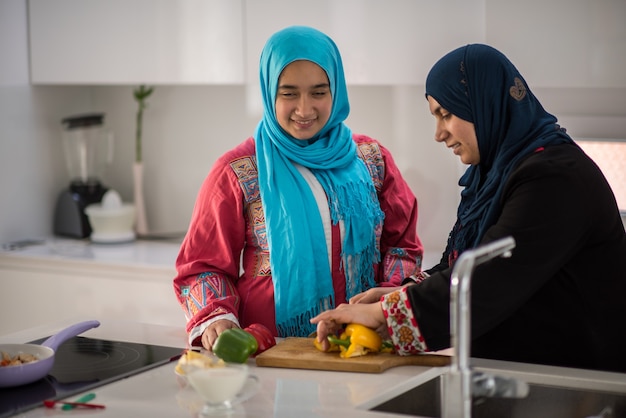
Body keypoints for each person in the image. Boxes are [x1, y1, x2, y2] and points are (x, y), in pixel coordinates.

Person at [311, 44, 626, 373]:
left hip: (580, 384)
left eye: (446, 114)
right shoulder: (497, 175)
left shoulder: (554, 178)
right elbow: (466, 265)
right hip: (529, 376)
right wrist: (397, 293)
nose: (439, 134)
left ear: (482, 104)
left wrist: (383, 314)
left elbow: (490, 279)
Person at [173, 26, 424, 350]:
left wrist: (388, 298)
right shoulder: (237, 171)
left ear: (336, 90)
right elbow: (201, 266)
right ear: (268, 91)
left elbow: (402, 244)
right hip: (268, 353)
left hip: (360, 344)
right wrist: (217, 316)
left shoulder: (372, 160)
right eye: (289, 93)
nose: (305, 109)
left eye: (318, 92)